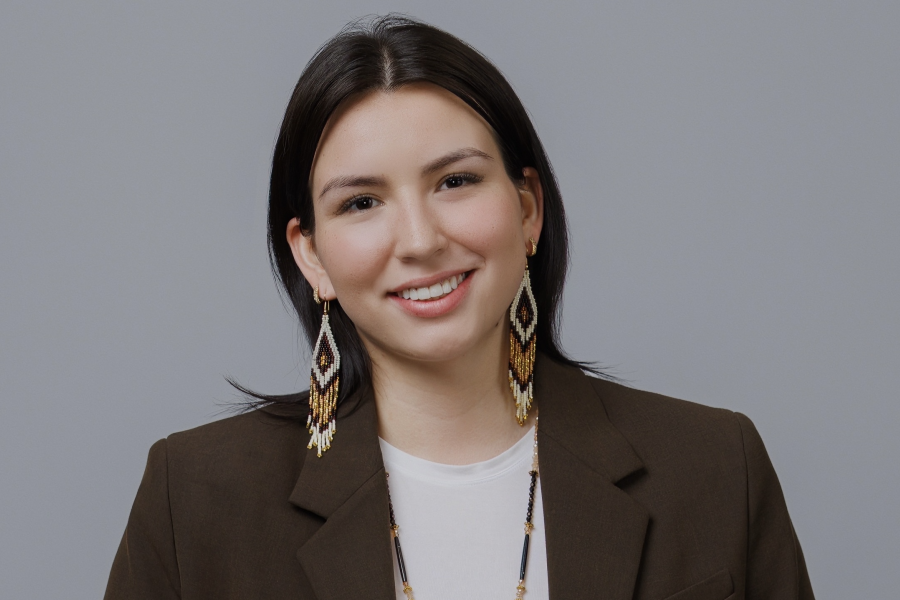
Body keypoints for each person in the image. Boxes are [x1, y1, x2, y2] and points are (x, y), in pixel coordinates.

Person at [105, 15, 814, 600]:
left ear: (527, 209)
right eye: (362, 202)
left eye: (455, 181)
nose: (420, 240)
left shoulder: (714, 467)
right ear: (311, 256)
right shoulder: (194, 497)